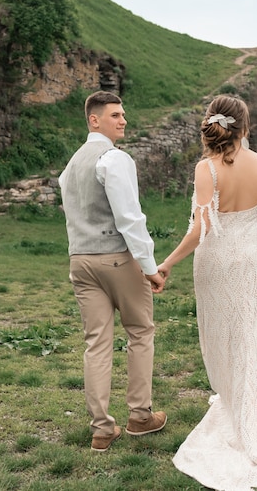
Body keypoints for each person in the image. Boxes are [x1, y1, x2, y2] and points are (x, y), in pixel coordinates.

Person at [158, 95, 257, 491]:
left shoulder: (208, 170)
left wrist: (167, 263)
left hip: (217, 267)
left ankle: (248, 424)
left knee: (224, 342)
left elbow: (201, 228)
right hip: (253, 262)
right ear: (246, 126)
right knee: (255, 342)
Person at [59, 90, 167, 453]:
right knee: (140, 331)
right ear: (94, 119)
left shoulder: (71, 165)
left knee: (96, 344)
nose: (123, 120)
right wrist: (150, 268)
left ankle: (102, 430)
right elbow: (130, 219)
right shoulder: (114, 159)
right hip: (117, 259)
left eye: (123, 114)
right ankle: (140, 416)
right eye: (116, 115)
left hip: (80, 260)